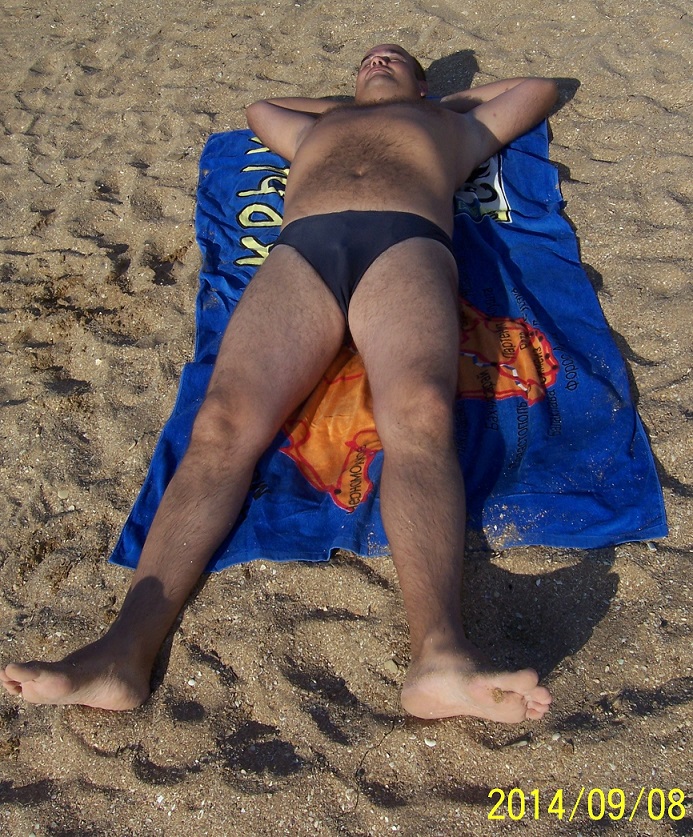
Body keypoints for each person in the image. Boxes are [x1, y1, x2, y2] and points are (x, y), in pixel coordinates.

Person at [1, 45, 558, 723]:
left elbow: (537, 88)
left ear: (422, 83)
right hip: (302, 251)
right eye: (367, 59)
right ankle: (122, 655)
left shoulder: (452, 126)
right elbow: (260, 109)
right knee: (220, 425)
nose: (377, 58)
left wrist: (430, 104)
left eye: (394, 58)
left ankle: (440, 654)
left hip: (405, 244)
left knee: (420, 413)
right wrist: (351, 108)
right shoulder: (317, 127)